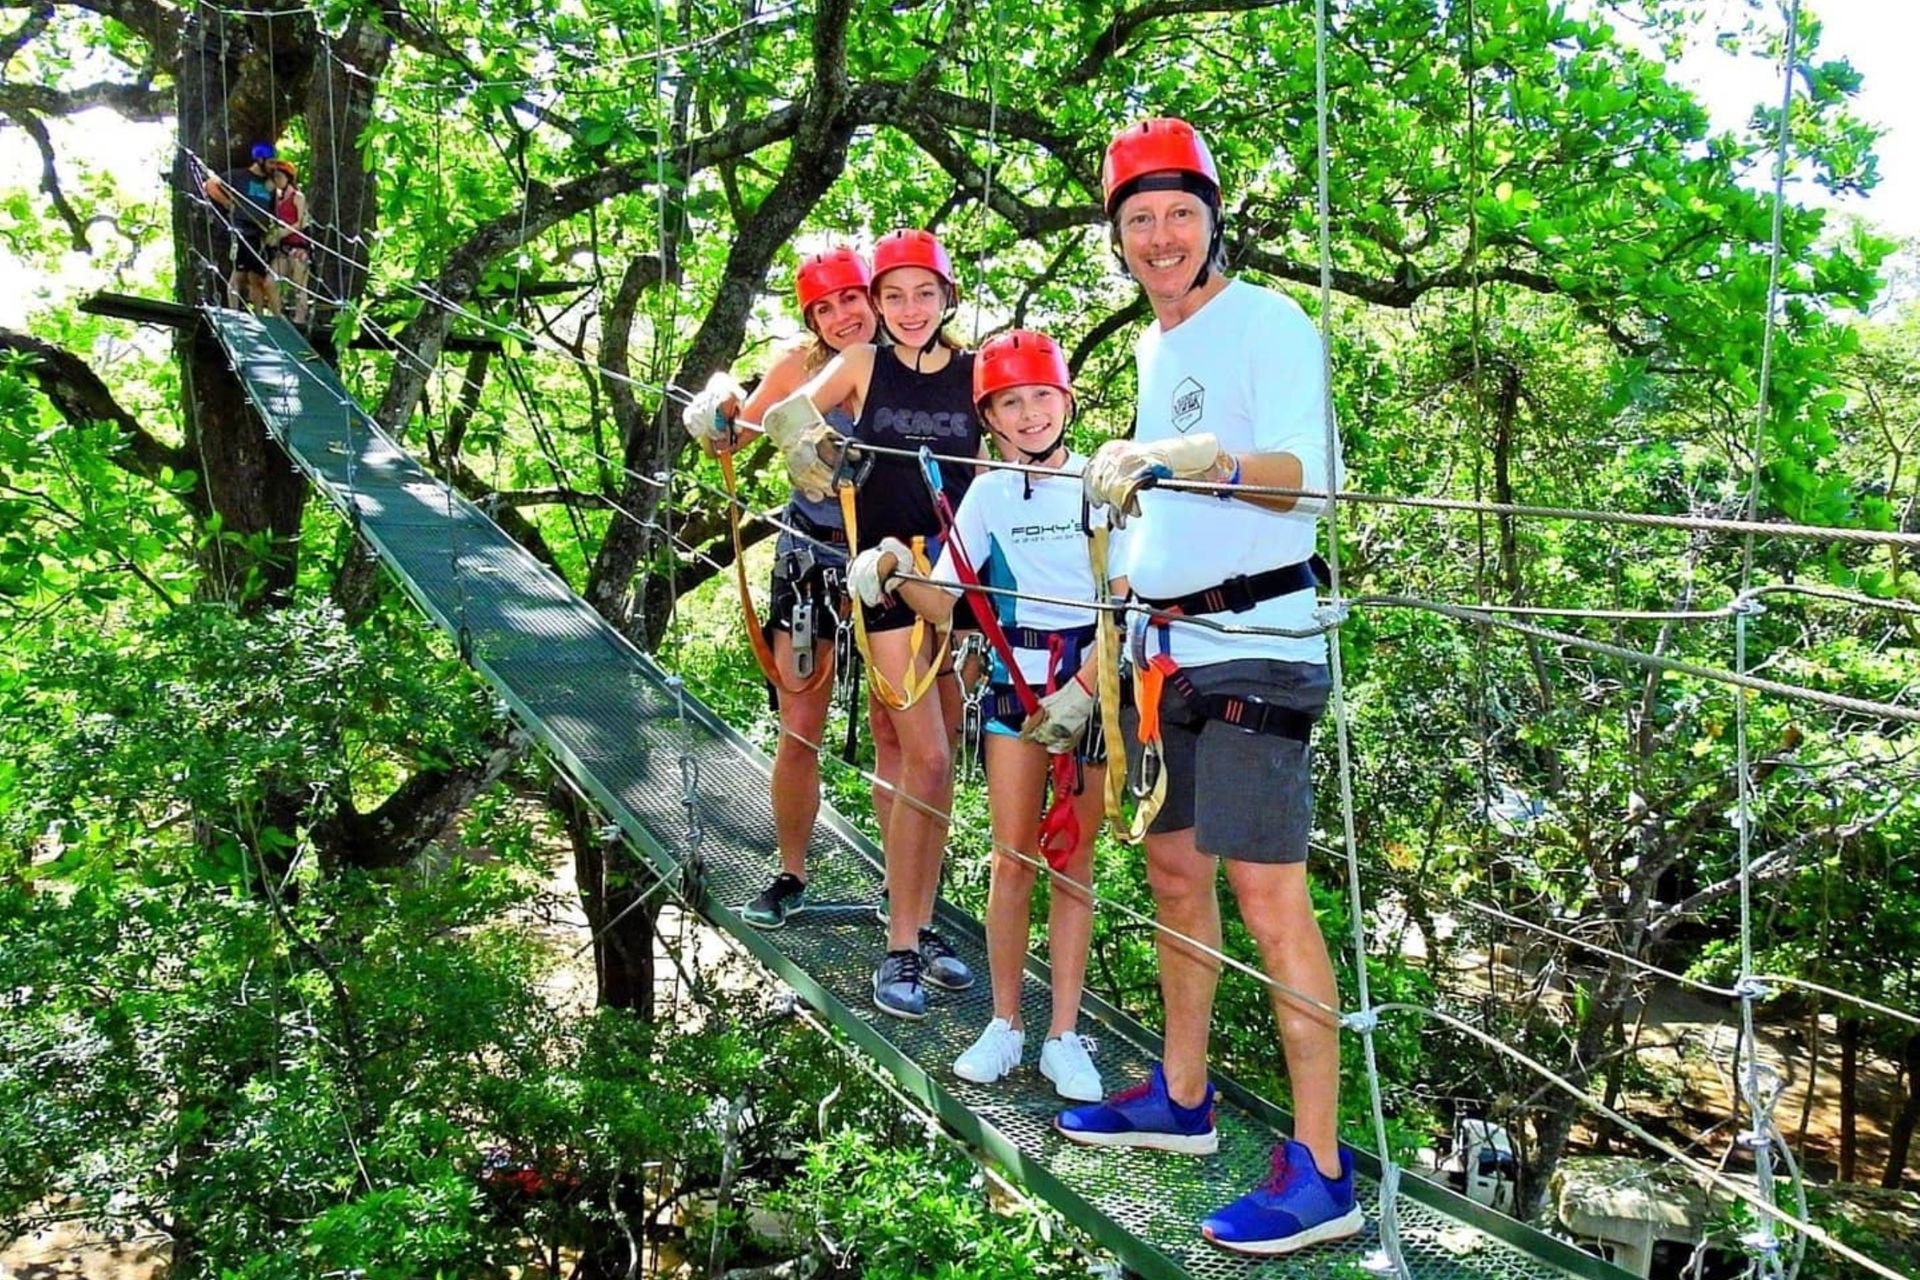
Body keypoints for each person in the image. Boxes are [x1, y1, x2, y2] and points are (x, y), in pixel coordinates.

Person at [1058, 117, 1362, 1257]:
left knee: (1269, 901)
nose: (1160, 236)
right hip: (1165, 649)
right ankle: (1182, 1096)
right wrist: (1121, 606)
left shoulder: (1267, 322)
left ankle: (1323, 1168)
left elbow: (1312, 483)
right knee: (1175, 873)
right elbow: (1168, 514)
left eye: (1179, 213)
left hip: (1261, 642)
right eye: (1139, 220)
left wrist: (1199, 461)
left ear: (1212, 217)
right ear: (1119, 238)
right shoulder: (1154, 349)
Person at [846, 329, 1107, 1100]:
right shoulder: (989, 493)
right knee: (1010, 858)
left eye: (1040, 397)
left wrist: (1086, 690)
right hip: (1012, 688)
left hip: (1084, 685)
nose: (1028, 415)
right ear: (989, 419)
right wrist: (892, 567)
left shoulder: (1103, 483)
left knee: (1072, 862)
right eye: (1009, 403)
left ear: (1066, 400)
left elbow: (1126, 603)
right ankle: (1004, 1024)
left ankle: (1064, 1032)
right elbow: (952, 600)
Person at [758, 227, 981, 1021]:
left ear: (947, 297)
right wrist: (804, 441)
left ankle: (918, 919)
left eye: (925, 293)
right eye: (894, 296)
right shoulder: (861, 365)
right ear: (878, 306)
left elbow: (1020, 449)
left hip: (956, 581)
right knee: (921, 754)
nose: (910, 309)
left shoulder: (977, 374)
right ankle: (902, 945)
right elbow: (781, 414)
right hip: (883, 576)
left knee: (938, 762)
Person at [680, 246, 884, 929]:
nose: (840, 317)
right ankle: (790, 871)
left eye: (850, 299)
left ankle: (903, 886)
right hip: (811, 558)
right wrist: (719, 397)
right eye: (823, 308)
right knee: (800, 729)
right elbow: (729, 439)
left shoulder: (911, 362)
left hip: (891, 564)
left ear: (874, 295)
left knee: (897, 730)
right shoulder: (800, 365)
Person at [204, 143, 279, 313]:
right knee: (240, 272)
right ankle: (234, 311)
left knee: (256, 275)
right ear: (260, 160)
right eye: (271, 162)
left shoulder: (270, 184)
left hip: (258, 232)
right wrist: (227, 203)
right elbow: (210, 185)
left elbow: (272, 209)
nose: (273, 167)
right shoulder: (239, 176)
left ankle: (259, 315)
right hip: (241, 229)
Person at [265, 159, 313, 325]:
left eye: (279, 176)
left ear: (288, 178)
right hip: (282, 248)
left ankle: (299, 320)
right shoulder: (277, 200)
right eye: (274, 177)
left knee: (299, 285)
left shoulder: (297, 196)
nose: (277, 180)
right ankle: (278, 318)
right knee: (270, 282)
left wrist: (282, 232)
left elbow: (301, 222)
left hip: (299, 247)